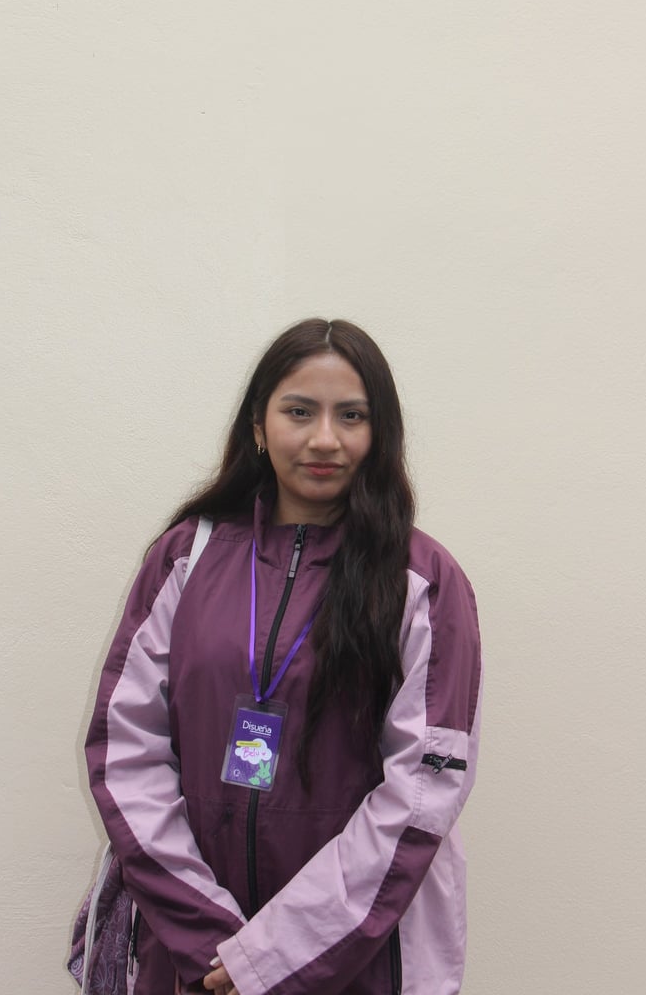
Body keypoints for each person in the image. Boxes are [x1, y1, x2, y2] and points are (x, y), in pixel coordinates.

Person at [85, 318, 482, 995]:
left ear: (380, 433)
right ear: (259, 427)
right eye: (299, 411)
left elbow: (422, 792)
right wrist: (211, 942)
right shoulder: (186, 557)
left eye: (351, 415)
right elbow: (126, 750)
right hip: (190, 957)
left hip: (354, 959)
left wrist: (271, 956)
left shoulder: (423, 582)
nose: (325, 438)